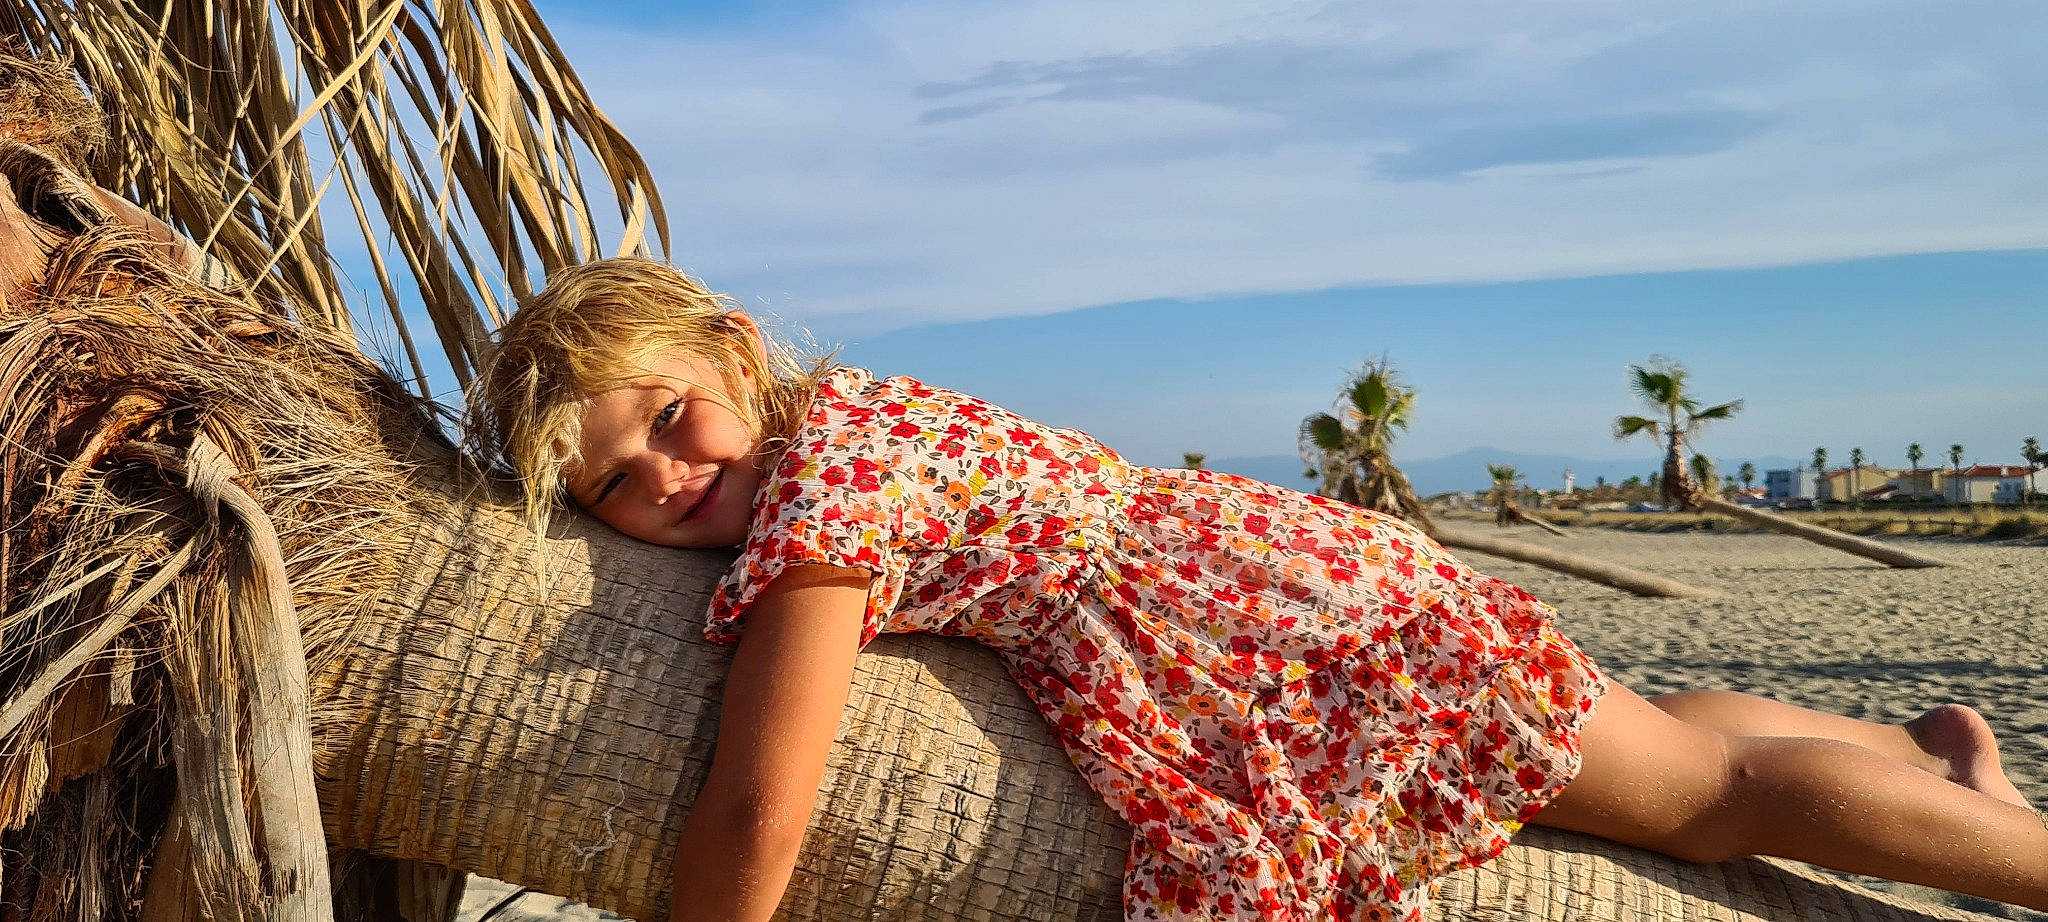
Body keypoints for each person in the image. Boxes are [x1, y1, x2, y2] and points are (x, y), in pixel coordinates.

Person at [468, 257, 2044, 922]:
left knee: (1709, 793)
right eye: (618, 482)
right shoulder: (852, 427)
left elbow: (762, 803)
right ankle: (1922, 756)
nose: (672, 479)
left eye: (674, 419)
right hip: (1264, 575)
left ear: (739, 351)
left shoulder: (829, 490)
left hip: (1266, 628)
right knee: (1621, 728)